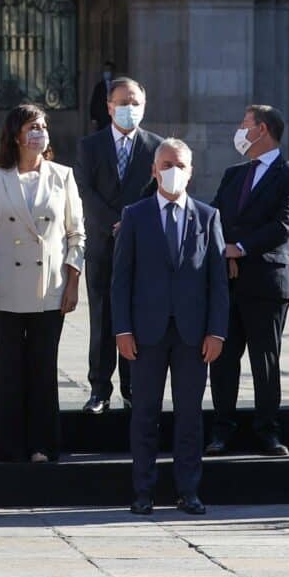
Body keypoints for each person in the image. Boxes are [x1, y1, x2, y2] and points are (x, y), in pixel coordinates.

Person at [112, 139, 228, 517]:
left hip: (193, 335)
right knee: (145, 414)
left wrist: (216, 331)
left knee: (190, 415)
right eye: (165, 164)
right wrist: (122, 330)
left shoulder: (208, 217)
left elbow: (217, 281)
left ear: (191, 171)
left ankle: (188, 490)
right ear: (153, 169)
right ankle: (143, 491)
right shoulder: (135, 215)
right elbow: (121, 280)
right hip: (146, 333)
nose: (171, 171)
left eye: (178, 164)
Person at [0, 103, 84, 464]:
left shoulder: (62, 176)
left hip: (48, 287)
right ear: (16, 134)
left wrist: (73, 281)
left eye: (43, 125)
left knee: (43, 367)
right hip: (5, 287)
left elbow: (76, 234)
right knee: (9, 368)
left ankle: (43, 444)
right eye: (32, 126)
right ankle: (8, 446)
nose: (39, 132)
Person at [208, 104, 289, 457]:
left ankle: (268, 429)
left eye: (244, 124)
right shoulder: (234, 174)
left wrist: (240, 247)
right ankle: (222, 428)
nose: (240, 130)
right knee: (222, 360)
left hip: (267, 281)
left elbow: (285, 224)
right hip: (228, 280)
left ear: (262, 129)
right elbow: (215, 215)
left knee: (264, 360)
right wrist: (224, 248)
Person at [74, 76, 161, 414]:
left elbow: (160, 191)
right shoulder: (90, 146)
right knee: (103, 318)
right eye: (123, 102)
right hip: (102, 244)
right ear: (109, 107)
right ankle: (99, 389)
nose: (129, 108)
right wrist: (114, 223)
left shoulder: (155, 146)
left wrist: (133, 224)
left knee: (135, 320)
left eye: (135, 102)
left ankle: (131, 388)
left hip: (140, 247)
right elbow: (84, 190)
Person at [88, 61, 117, 132]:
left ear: (113, 71)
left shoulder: (117, 85)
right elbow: (94, 102)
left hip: (115, 118)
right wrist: (93, 118)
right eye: (105, 70)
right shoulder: (99, 86)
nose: (107, 72)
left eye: (109, 70)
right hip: (102, 118)